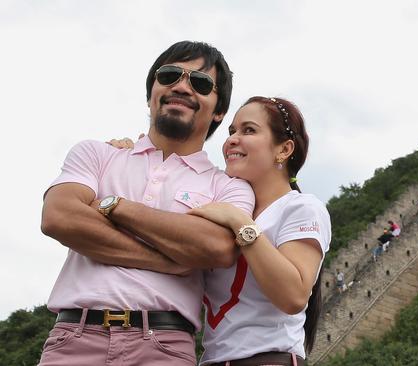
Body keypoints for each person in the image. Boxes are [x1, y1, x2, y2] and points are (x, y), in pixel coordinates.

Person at [38, 41, 255, 366]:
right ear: (151, 92)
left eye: (200, 83)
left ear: (219, 110)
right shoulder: (97, 154)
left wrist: (113, 206)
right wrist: (168, 258)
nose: (181, 86)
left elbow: (218, 248)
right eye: (169, 75)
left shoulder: (228, 186)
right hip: (73, 340)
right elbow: (59, 217)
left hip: (163, 348)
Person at [188, 97, 331, 365]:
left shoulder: (301, 208)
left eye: (249, 130)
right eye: (232, 131)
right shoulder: (220, 205)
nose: (232, 139)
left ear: (284, 149)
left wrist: (241, 223)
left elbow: (293, 296)